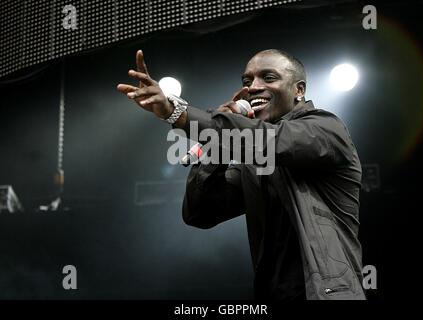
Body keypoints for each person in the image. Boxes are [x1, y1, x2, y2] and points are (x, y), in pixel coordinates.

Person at [117, 49, 366, 300]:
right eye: (246, 82)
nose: (254, 87)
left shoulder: (326, 129)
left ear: (299, 90)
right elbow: (200, 212)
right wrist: (218, 142)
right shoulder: (252, 161)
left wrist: (180, 114)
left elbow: (269, 141)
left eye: (268, 78)